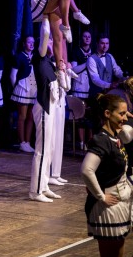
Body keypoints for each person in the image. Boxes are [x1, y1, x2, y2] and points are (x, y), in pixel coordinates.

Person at [79, 93, 133, 257]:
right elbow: (86, 170)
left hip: (122, 202)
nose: (125, 117)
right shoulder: (101, 140)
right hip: (108, 208)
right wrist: (100, 196)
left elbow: (129, 135)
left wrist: (124, 121)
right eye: (121, 113)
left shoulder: (115, 136)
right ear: (106, 114)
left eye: (126, 112)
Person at [29, 19, 72, 202]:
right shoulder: (39, 58)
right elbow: (45, 34)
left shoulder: (51, 64)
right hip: (43, 106)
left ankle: (44, 185)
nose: (54, 44)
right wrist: (48, 17)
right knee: (42, 149)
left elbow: (66, 87)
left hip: (52, 108)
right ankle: (35, 190)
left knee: (50, 147)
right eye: (52, 42)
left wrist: (63, 69)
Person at [86, 34, 125, 131]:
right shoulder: (91, 59)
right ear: (97, 44)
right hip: (96, 95)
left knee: (109, 122)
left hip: (109, 95)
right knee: (98, 123)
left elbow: (117, 70)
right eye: (102, 43)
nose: (105, 46)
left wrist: (125, 78)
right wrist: (109, 85)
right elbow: (95, 79)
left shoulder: (110, 56)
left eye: (107, 43)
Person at [9, 35, 37, 153]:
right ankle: (21, 142)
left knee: (31, 117)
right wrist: (17, 87)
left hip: (33, 88)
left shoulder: (36, 56)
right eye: (29, 42)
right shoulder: (19, 57)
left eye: (33, 42)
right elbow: (12, 75)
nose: (31, 44)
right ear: (24, 44)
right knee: (22, 116)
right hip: (23, 87)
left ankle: (28, 141)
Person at [69, 30, 93, 150]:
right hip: (79, 86)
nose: (87, 38)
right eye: (85, 36)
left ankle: (90, 142)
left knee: (90, 115)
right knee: (80, 115)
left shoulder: (93, 52)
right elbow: (74, 70)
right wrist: (87, 63)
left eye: (89, 36)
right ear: (81, 38)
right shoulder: (76, 51)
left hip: (90, 87)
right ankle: (81, 142)